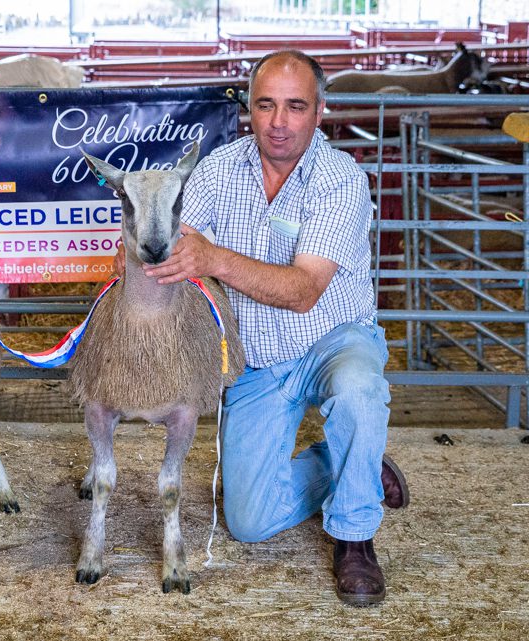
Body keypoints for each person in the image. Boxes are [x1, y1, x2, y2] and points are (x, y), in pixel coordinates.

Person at [140, 50, 409, 606]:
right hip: (257, 358)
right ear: (249, 109)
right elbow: (186, 256)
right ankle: (353, 460)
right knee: (248, 521)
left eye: (295, 106)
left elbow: (304, 290)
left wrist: (213, 259)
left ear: (320, 110)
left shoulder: (340, 180)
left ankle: (355, 535)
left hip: (335, 339)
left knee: (360, 389)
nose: (279, 122)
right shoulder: (217, 170)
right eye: (266, 105)